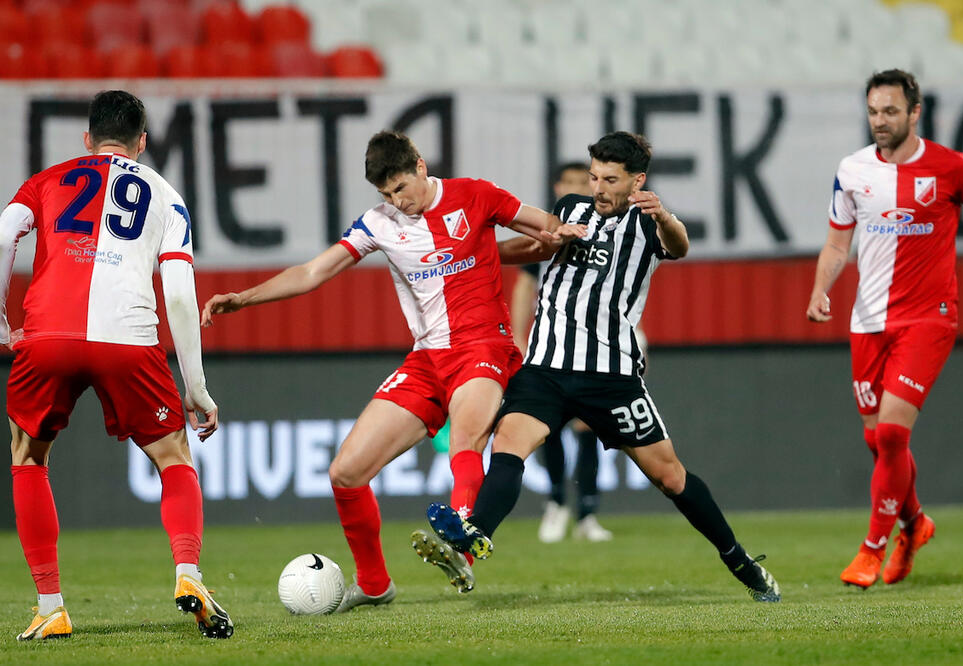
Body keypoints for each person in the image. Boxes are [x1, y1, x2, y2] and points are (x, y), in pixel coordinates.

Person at [201, 130, 581, 608]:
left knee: (466, 439)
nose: (397, 201)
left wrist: (559, 231)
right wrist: (245, 298)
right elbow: (313, 272)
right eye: (385, 194)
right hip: (426, 360)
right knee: (346, 472)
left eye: (401, 188)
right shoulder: (378, 224)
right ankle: (376, 584)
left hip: (483, 346)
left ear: (421, 166)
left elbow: (543, 226)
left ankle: (461, 536)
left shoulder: (475, 195)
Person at [417, 131, 781, 603]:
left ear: (637, 181)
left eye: (610, 179)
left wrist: (665, 215)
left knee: (670, 477)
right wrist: (470, 256)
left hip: (611, 376)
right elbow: (526, 249)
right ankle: (471, 540)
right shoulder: (569, 208)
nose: (599, 187)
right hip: (546, 367)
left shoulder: (650, 222)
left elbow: (681, 245)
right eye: (594, 176)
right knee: (508, 446)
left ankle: (739, 560)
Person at [0, 91, 229, 640]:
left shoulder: (46, 180)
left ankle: (51, 605)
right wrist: (195, 388)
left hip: (49, 332)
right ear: (142, 142)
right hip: (128, 338)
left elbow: (4, 236)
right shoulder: (167, 196)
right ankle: (188, 572)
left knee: (28, 456)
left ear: (87, 138)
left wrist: (3, 323)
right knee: (173, 455)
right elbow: (178, 291)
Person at [806, 69, 963, 588]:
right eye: (873, 112)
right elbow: (837, 244)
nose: (880, 121)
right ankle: (915, 525)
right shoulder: (852, 170)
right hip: (868, 321)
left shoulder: (953, 167)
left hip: (929, 317)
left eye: (891, 111)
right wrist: (820, 288)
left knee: (892, 432)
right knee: (878, 443)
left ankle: (872, 549)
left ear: (915, 113)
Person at [510, 161, 612, 543]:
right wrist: (519, 337)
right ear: (557, 187)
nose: (575, 188)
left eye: (580, 182)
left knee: (589, 428)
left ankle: (587, 513)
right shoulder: (551, 233)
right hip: (551, 346)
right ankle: (556, 503)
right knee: (548, 425)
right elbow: (525, 286)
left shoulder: (611, 231)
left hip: (596, 346)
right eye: (568, 182)